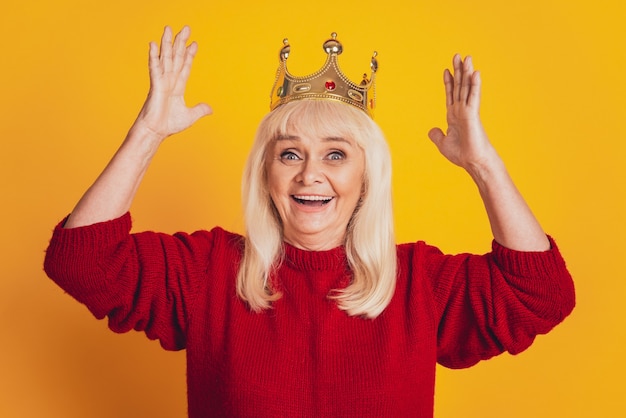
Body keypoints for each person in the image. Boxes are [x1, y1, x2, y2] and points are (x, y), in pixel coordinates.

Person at [44, 26, 575, 417]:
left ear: (367, 176)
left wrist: (483, 166)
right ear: (266, 173)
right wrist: (147, 134)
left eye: (337, 155)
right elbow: (81, 261)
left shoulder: (419, 282)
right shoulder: (209, 270)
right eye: (290, 154)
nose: (310, 176)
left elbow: (543, 293)